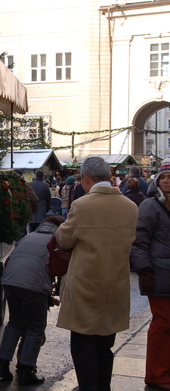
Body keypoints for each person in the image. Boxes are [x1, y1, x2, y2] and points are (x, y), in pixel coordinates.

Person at [54, 156, 138, 391]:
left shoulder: (83, 205)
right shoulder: (130, 207)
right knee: (105, 345)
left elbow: (64, 239)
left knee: (83, 347)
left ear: (86, 178)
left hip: (85, 287)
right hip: (116, 287)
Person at [0, 215, 64, 386]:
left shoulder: (28, 236)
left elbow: (11, 260)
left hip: (10, 281)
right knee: (36, 327)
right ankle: (27, 369)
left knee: (14, 323)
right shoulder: (57, 240)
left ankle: (3, 365)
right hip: (34, 286)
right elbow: (60, 266)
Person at [130, 158, 170, 390]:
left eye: (169, 178)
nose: (166, 182)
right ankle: (156, 375)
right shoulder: (150, 206)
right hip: (159, 274)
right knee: (162, 325)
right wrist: (144, 270)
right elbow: (139, 242)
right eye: (162, 178)